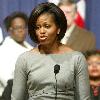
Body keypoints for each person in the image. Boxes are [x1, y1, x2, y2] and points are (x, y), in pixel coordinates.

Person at [11, 2, 91, 100]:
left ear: (58, 29)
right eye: (37, 27)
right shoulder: (24, 59)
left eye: (47, 26)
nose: (42, 31)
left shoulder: (76, 59)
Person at [0, 11, 33, 98]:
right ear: (10, 30)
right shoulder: (3, 50)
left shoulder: (30, 48)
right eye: (18, 28)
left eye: (24, 27)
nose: (22, 30)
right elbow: (6, 79)